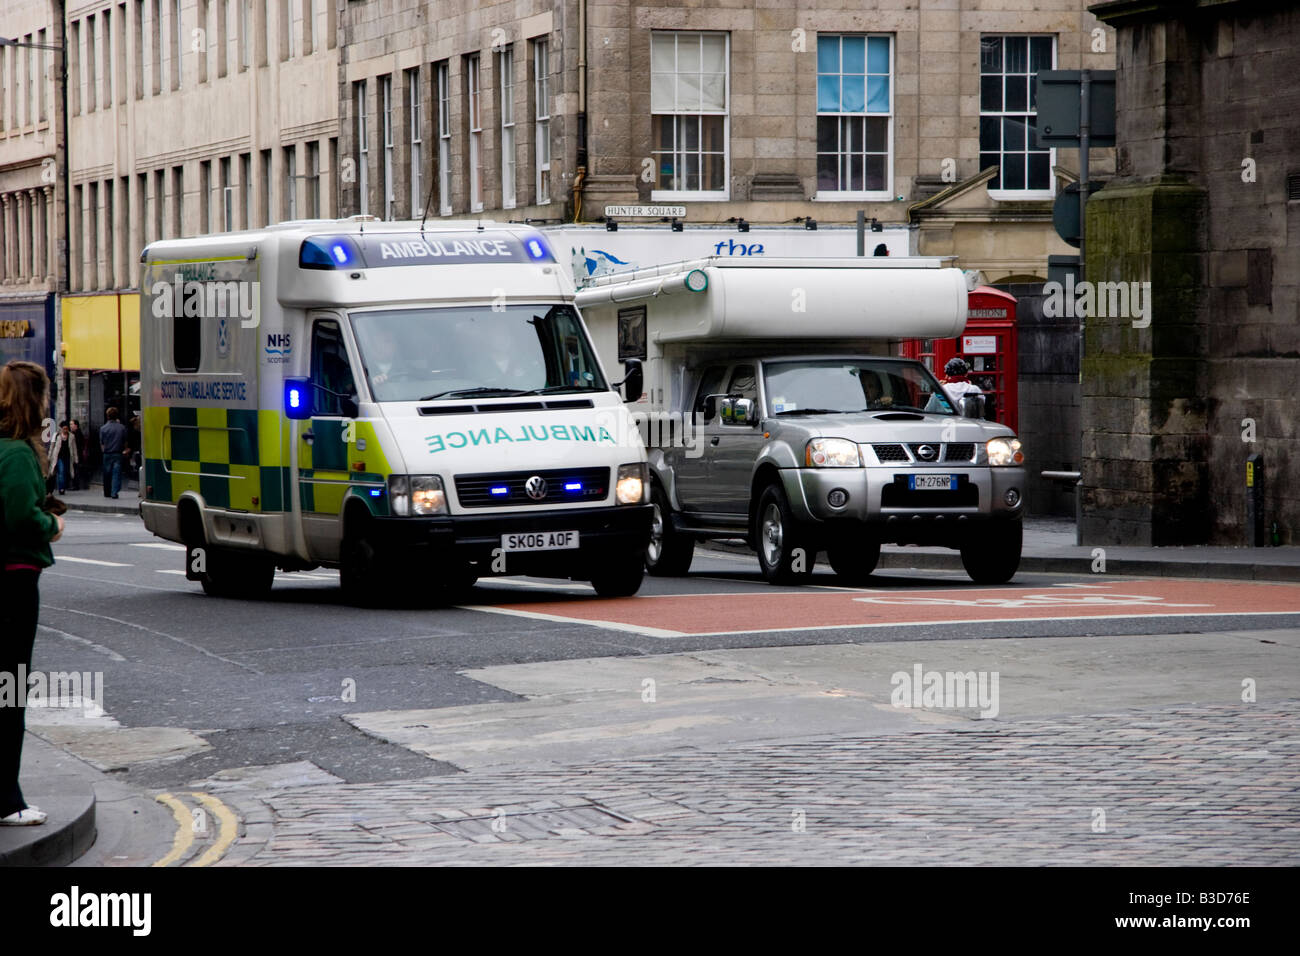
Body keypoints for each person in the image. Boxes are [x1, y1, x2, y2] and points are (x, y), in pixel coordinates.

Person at [0, 361, 65, 826]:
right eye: (42, 399)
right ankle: (7, 799)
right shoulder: (18, 455)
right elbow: (21, 516)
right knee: (9, 690)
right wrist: (52, 525)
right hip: (14, 583)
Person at [98, 407, 127, 499]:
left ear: (107, 416)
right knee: (116, 473)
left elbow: (102, 442)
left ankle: (107, 491)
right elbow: (125, 441)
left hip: (107, 453)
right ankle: (114, 492)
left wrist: (104, 451)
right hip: (118, 453)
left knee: (107, 473)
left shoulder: (103, 428)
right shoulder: (122, 428)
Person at [46, 421, 78, 495]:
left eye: (67, 429)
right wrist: (49, 457)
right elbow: (52, 446)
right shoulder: (55, 435)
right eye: (64, 429)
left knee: (66, 472)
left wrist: (76, 459)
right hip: (58, 457)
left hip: (67, 457)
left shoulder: (72, 436)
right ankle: (61, 489)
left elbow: (74, 448)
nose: (65, 430)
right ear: (61, 429)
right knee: (61, 471)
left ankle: (63, 486)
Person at [69, 420, 89, 489]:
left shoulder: (77, 434)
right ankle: (77, 484)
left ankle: (76, 485)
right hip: (77, 454)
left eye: (72, 424)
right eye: (70, 424)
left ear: (76, 425)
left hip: (77, 454)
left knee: (76, 469)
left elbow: (79, 445)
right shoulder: (73, 433)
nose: (70, 426)